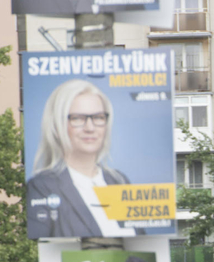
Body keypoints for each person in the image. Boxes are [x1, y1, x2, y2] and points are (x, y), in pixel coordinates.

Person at [26, 80, 135, 239]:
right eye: (77, 118)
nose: (90, 128)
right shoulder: (42, 186)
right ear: (57, 125)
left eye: (98, 117)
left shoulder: (119, 181)